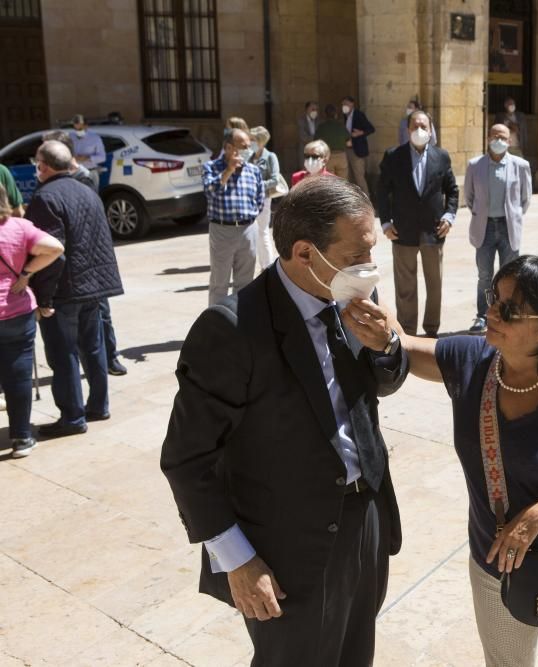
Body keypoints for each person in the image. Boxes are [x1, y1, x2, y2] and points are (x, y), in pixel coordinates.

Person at [160, 176, 408, 666]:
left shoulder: (349, 300)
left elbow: (380, 384)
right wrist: (237, 559)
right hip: (289, 543)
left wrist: (389, 347)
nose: (369, 267)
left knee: (354, 652)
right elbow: (187, 460)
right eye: (358, 253)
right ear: (305, 253)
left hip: (365, 519)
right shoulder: (232, 330)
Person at [398, 253, 538, 666]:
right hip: (494, 563)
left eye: (509, 309)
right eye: (492, 298)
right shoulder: (473, 362)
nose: (491, 313)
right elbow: (404, 347)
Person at [26, 141, 124, 438]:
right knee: (92, 348)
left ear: (43, 166)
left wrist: (43, 298)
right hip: (92, 287)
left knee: (63, 353)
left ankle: (72, 417)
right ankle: (98, 405)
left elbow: (51, 253)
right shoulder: (87, 190)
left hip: (65, 290)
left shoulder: (45, 198)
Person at [41, 130, 127, 376]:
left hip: (88, 259)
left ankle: (110, 357)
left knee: (101, 312)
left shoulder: (83, 178)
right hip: (72, 262)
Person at [377, 110, 459, 337]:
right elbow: (382, 191)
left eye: (424, 126)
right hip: (402, 231)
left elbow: (451, 190)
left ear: (431, 130)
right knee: (405, 287)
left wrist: (449, 217)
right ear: (408, 130)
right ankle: (408, 331)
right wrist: (385, 222)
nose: (419, 130)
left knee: (435, 285)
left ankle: (431, 329)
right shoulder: (393, 156)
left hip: (433, 231)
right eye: (415, 126)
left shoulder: (441, 156)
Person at [0, 184, 64, 457]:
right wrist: (25, 273)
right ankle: (21, 438)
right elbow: (55, 248)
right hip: (17, 311)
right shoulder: (19, 227)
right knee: (19, 376)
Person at [464, 124, 533, 334]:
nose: (498, 140)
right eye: (494, 136)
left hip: (507, 227)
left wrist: (515, 216)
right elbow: (469, 197)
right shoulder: (475, 165)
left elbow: (525, 198)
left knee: (510, 274)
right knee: (484, 275)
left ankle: (508, 313)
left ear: (509, 141)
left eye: (502, 137)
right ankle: (483, 316)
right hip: (484, 227)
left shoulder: (520, 165)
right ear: (487, 138)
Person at [202, 129, 265, 306]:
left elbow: (260, 201)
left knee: (245, 283)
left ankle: (240, 323)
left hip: (248, 230)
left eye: (248, 145)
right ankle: (216, 325)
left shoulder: (253, 171)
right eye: (243, 146)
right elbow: (209, 192)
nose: (248, 149)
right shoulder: (211, 168)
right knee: (219, 282)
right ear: (229, 147)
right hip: (222, 230)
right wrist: (228, 170)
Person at [249, 126, 281, 270]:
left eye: (253, 140)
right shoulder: (249, 157)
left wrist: (257, 184)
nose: (250, 142)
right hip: (249, 199)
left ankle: (268, 266)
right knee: (253, 232)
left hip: (263, 198)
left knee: (262, 231)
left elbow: (275, 179)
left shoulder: (270, 157)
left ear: (261, 141)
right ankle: (262, 264)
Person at [342, 96, 376, 199]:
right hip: (346, 149)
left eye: (346, 104)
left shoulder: (359, 115)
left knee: (359, 177)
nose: (344, 106)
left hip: (357, 151)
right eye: (343, 104)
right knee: (349, 177)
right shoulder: (344, 116)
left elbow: (371, 129)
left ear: (352, 105)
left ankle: (367, 201)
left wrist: (360, 133)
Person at [314, 104, 350, 178]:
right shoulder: (341, 126)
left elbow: (316, 142)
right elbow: (349, 143)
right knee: (343, 181)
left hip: (328, 156)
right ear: (336, 114)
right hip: (341, 156)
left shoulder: (321, 127)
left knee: (330, 181)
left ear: (325, 114)